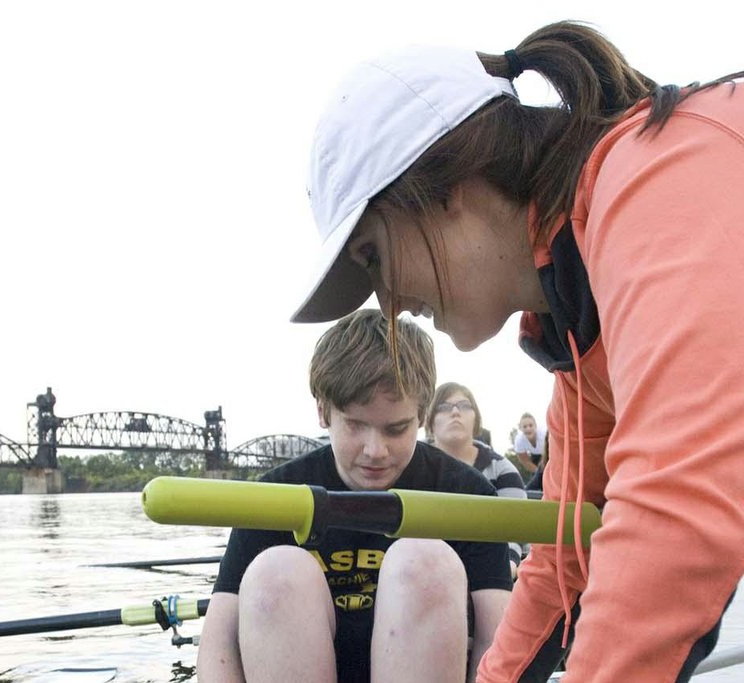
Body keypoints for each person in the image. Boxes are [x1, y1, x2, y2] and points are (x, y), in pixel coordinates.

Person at [289, 21, 744, 683]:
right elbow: (563, 563)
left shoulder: (659, 175)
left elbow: (678, 513)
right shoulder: (580, 334)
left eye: (372, 256)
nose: (384, 303)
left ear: (447, 187)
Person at [197, 309, 512, 683]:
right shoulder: (275, 495)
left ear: (422, 414)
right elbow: (217, 644)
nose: (375, 450)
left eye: (396, 428)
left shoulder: (469, 494)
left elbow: (500, 639)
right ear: (322, 411)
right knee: (276, 570)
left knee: (424, 561)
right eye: (355, 425)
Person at [426, 382, 527, 578]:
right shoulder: (409, 463)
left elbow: (514, 531)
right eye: (444, 407)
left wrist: (506, 568)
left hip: (487, 572)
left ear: (476, 419)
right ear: (429, 420)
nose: (455, 412)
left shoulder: (503, 470)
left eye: (464, 405)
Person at [513, 412, 546, 484]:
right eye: (525, 427)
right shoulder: (519, 440)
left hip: (548, 453)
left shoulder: (544, 433)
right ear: (520, 428)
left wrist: (545, 471)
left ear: (535, 426)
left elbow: (549, 452)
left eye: (531, 425)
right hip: (534, 456)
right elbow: (525, 461)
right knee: (537, 479)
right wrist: (538, 472)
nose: (528, 429)